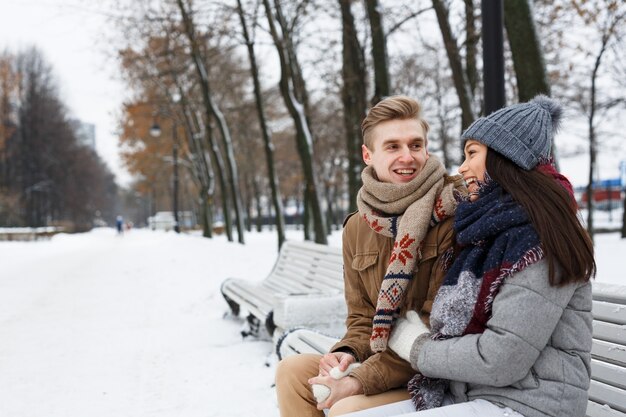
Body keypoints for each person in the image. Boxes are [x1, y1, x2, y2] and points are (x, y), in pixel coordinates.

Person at [340, 95, 596, 417]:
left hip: (528, 404)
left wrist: (416, 346)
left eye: (472, 153)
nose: (461, 168)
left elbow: (502, 359)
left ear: (505, 158)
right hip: (475, 394)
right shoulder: (487, 228)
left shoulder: (542, 240)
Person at [275, 96, 465, 417]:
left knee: (346, 408)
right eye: (392, 147)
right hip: (381, 359)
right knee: (292, 372)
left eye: (415, 145)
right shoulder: (358, 227)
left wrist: (361, 379)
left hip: (432, 372)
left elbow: (437, 328)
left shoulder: (453, 213)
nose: (408, 157)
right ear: (368, 155)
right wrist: (346, 353)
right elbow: (362, 318)